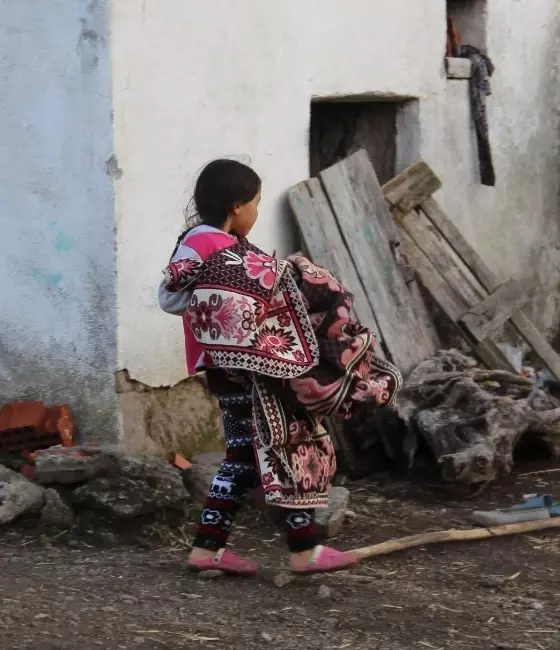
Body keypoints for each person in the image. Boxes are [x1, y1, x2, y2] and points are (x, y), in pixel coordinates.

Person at [159, 159, 401, 576]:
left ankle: (217, 549)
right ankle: (300, 550)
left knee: (254, 456)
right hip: (241, 372)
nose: (256, 212)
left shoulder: (228, 245)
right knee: (279, 450)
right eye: (255, 203)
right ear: (236, 206)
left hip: (241, 371)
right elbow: (171, 297)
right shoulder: (205, 244)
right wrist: (230, 291)